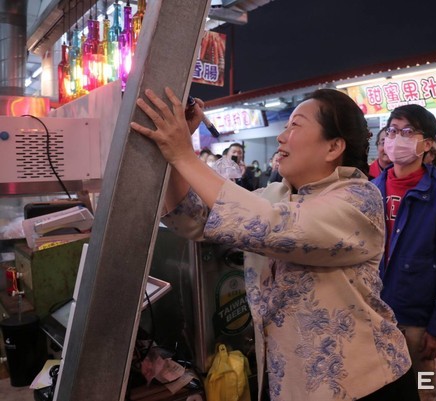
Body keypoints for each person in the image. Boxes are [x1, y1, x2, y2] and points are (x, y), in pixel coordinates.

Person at [131, 87, 419, 401]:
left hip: (367, 385)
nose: (281, 137)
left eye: (295, 126)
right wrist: (175, 156)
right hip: (292, 382)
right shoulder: (276, 195)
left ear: (333, 146)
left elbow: (272, 225)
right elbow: (193, 218)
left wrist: (185, 155)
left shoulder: (359, 198)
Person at [372, 104, 436, 401]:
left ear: (426, 144)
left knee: (422, 392)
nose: (396, 138)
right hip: (373, 314)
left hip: (418, 320)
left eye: (407, 132)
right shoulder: (371, 190)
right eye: (392, 131)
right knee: (377, 389)